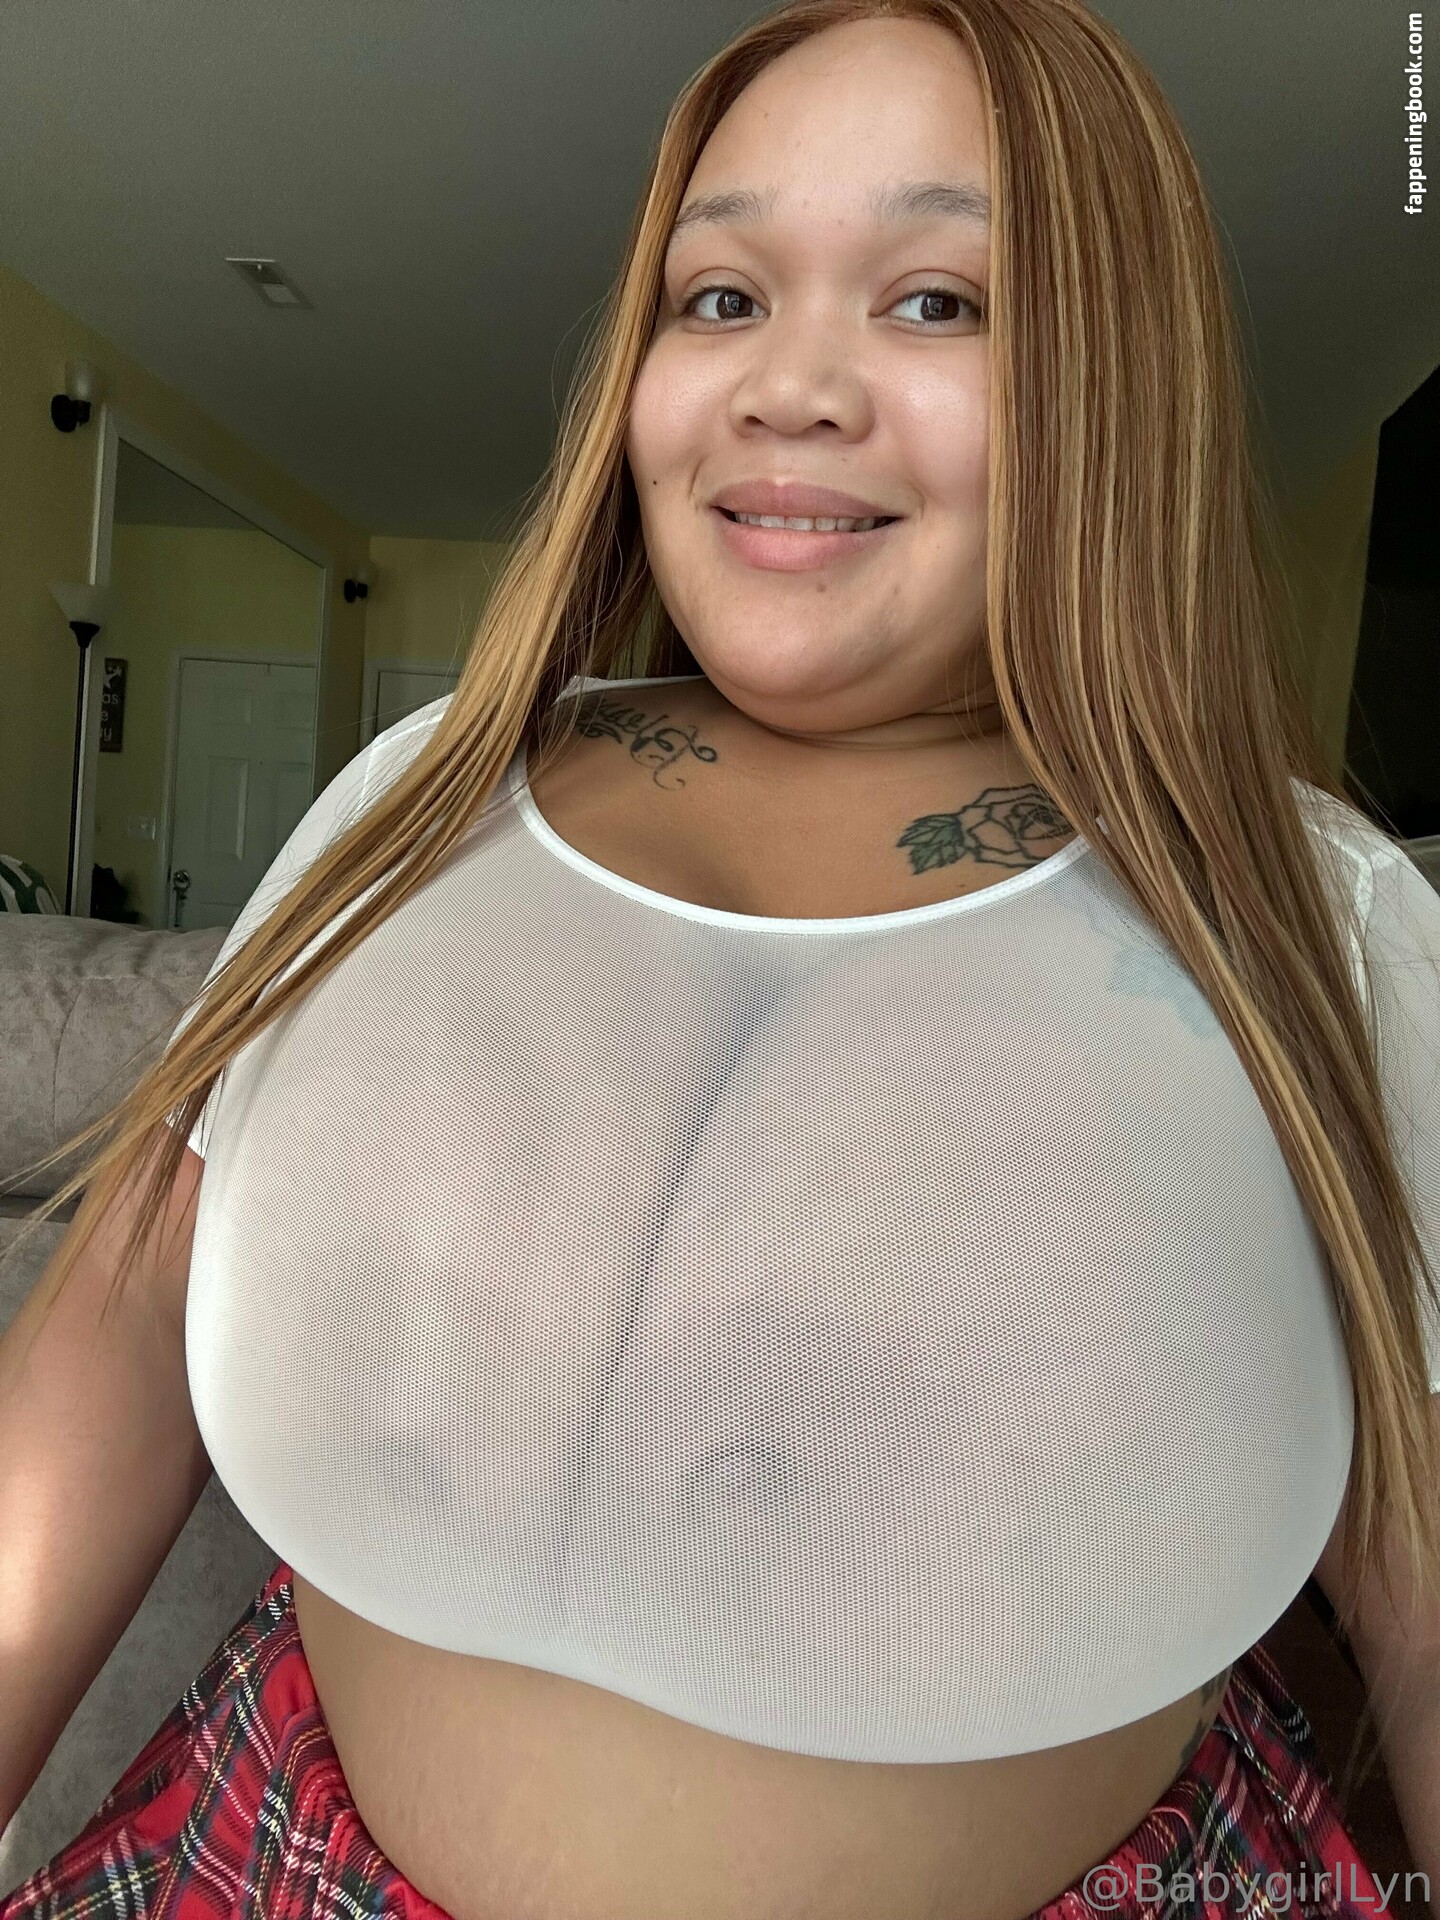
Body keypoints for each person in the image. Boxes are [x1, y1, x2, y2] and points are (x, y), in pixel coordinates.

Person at [3, 2, 1438, 1918]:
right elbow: (121, 1323)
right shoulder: (425, 793)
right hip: (261, 1858)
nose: (790, 387)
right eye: (723, 296)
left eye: (938, 301)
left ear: (1120, 383)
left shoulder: (1313, 916)